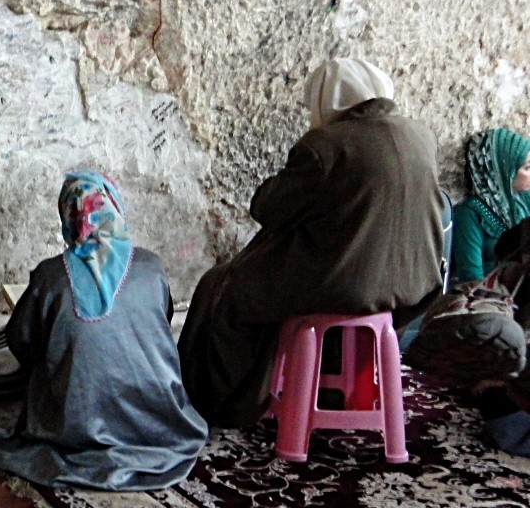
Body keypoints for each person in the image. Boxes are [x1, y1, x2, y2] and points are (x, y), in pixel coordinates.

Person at [179, 57, 443, 428]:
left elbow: (269, 208)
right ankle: (328, 390)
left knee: (221, 286)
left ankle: (218, 405)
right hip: (416, 284)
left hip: (349, 287)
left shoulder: (326, 146)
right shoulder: (421, 135)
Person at [0, 170, 208, 490]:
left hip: (76, 422)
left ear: (69, 217)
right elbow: (163, 319)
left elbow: (21, 341)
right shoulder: (152, 266)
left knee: (48, 365)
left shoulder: (49, 276)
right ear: (114, 207)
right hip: (155, 414)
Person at [451, 128, 530, 282]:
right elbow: (471, 279)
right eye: (527, 168)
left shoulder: (525, 202)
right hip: (494, 295)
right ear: (504, 170)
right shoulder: (470, 214)